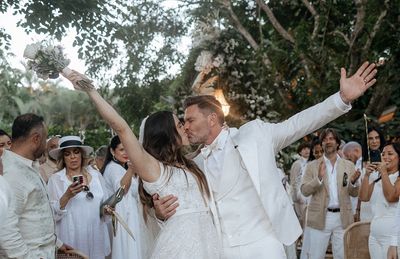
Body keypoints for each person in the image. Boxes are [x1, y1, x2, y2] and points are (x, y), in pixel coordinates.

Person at [153, 62, 377, 258]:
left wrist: (341, 99)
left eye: (190, 120)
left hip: (264, 245)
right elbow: (187, 207)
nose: (185, 127)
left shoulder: (255, 135)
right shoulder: (195, 164)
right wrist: (162, 214)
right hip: (220, 250)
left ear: (212, 118)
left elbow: (298, 124)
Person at [63, 71, 219, 259]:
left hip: (208, 239)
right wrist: (91, 90)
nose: (185, 127)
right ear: (166, 133)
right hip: (180, 244)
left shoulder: (189, 163)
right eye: (179, 125)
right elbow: (121, 127)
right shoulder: (153, 168)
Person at [0, 113, 71, 258]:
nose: (46, 145)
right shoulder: (12, 174)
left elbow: (34, 213)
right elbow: (5, 231)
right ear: (36, 139)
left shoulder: (29, 165)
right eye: (45, 139)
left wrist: (57, 243)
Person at [47, 135, 111, 259]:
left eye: (76, 152)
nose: (73, 157)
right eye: (67, 154)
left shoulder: (96, 175)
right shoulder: (56, 180)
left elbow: (105, 204)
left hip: (96, 235)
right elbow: (50, 215)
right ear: (63, 158)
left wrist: (107, 210)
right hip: (71, 237)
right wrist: (67, 196)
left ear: (82, 155)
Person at [301, 128, 360, 259]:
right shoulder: (312, 166)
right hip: (320, 217)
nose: (328, 141)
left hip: (343, 217)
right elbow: (304, 191)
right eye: (325, 139)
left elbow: (354, 193)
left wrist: (354, 183)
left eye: (331, 139)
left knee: (342, 256)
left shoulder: (348, 166)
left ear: (337, 143)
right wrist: (319, 179)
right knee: (316, 256)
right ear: (321, 144)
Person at [101, 135, 143, 259]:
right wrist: (131, 169)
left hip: (130, 217)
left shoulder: (120, 167)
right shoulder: (113, 168)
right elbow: (121, 191)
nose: (126, 153)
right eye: (121, 149)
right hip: (123, 219)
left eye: (128, 149)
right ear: (112, 151)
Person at [359, 142, 400, 259]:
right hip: (374, 235)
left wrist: (383, 172)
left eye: (390, 154)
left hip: (391, 236)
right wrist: (366, 176)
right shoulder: (378, 179)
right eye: (383, 154)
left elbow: (392, 197)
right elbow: (364, 197)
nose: (385, 157)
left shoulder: (397, 177)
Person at [290, 142, 310, 228]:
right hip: (300, 197)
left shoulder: (312, 162)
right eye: (304, 149)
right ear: (300, 152)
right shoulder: (297, 164)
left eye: (308, 148)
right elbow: (294, 181)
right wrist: (298, 196)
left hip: (310, 196)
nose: (306, 151)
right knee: (302, 220)